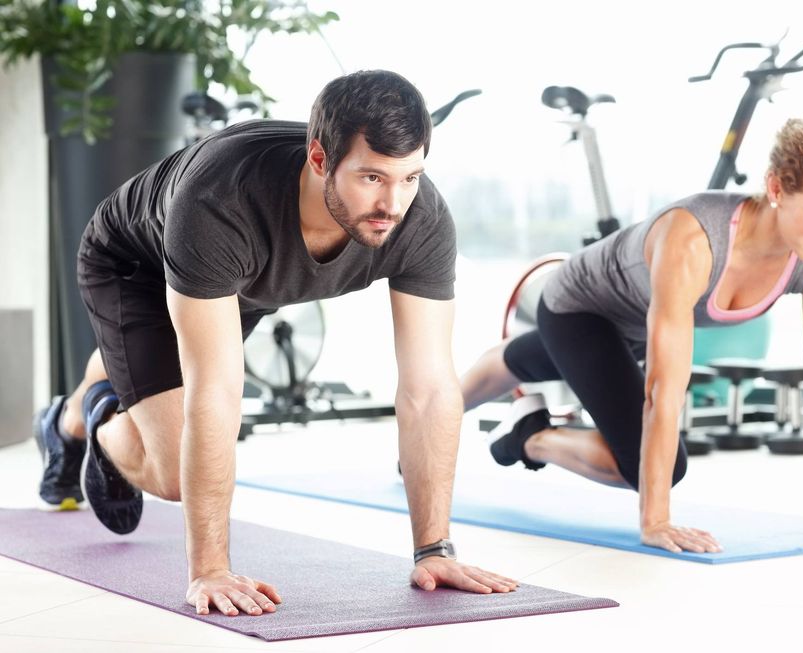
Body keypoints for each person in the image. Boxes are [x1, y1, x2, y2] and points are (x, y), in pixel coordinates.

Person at [34, 70, 517, 617]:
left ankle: (111, 382)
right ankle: (97, 418)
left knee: (167, 376)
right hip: (133, 266)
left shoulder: (420, 219)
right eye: (372, 177)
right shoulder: (221, 201)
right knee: (173, 475)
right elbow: (216, 394)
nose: (393, 203)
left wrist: (434, 549)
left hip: (238, 282)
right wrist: (210, 569)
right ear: (319, 159)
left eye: (409, 178)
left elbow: (429, 389)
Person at [460, 117, 803, 554]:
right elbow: (663, 393)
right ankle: (461, 422)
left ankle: (524, 433)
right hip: (579, 309)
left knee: (537, 360)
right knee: (661, 469)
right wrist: (656, 521)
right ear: (777, 188)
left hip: (635, 327)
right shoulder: (694, 240)